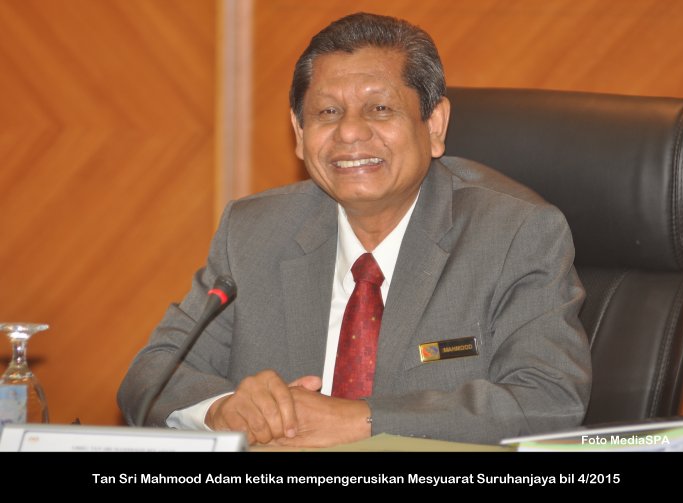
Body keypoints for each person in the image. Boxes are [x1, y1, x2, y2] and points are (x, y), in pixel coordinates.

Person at [118, 12, 591, 447]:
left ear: (434, 125)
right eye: (327, 113)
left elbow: (548, 402)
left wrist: (361, 421)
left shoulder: (515, 234)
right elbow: (152, 376)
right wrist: (223, 410)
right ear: (299, 134)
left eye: (380, 109)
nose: (349, 132)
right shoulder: (254, 232)